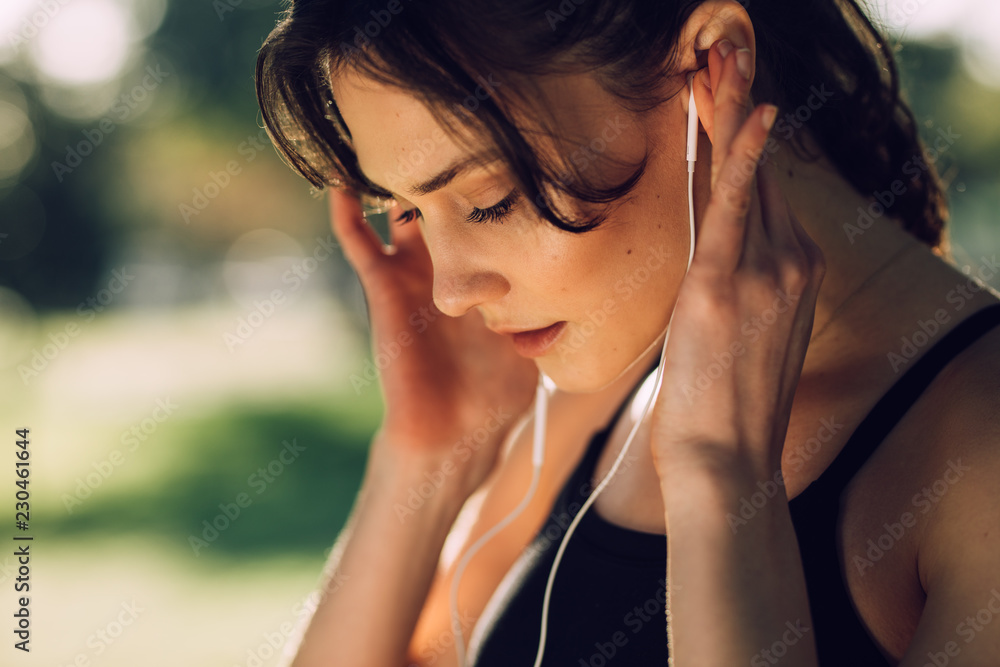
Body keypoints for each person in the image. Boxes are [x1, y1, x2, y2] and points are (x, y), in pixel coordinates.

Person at [255, 1, 1000, 665]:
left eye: (489, 200)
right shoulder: (599, 390)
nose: (449, 293)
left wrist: (721, 480)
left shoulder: (975, 460)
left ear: (715, 61)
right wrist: (429, 456)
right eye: (412, 210)